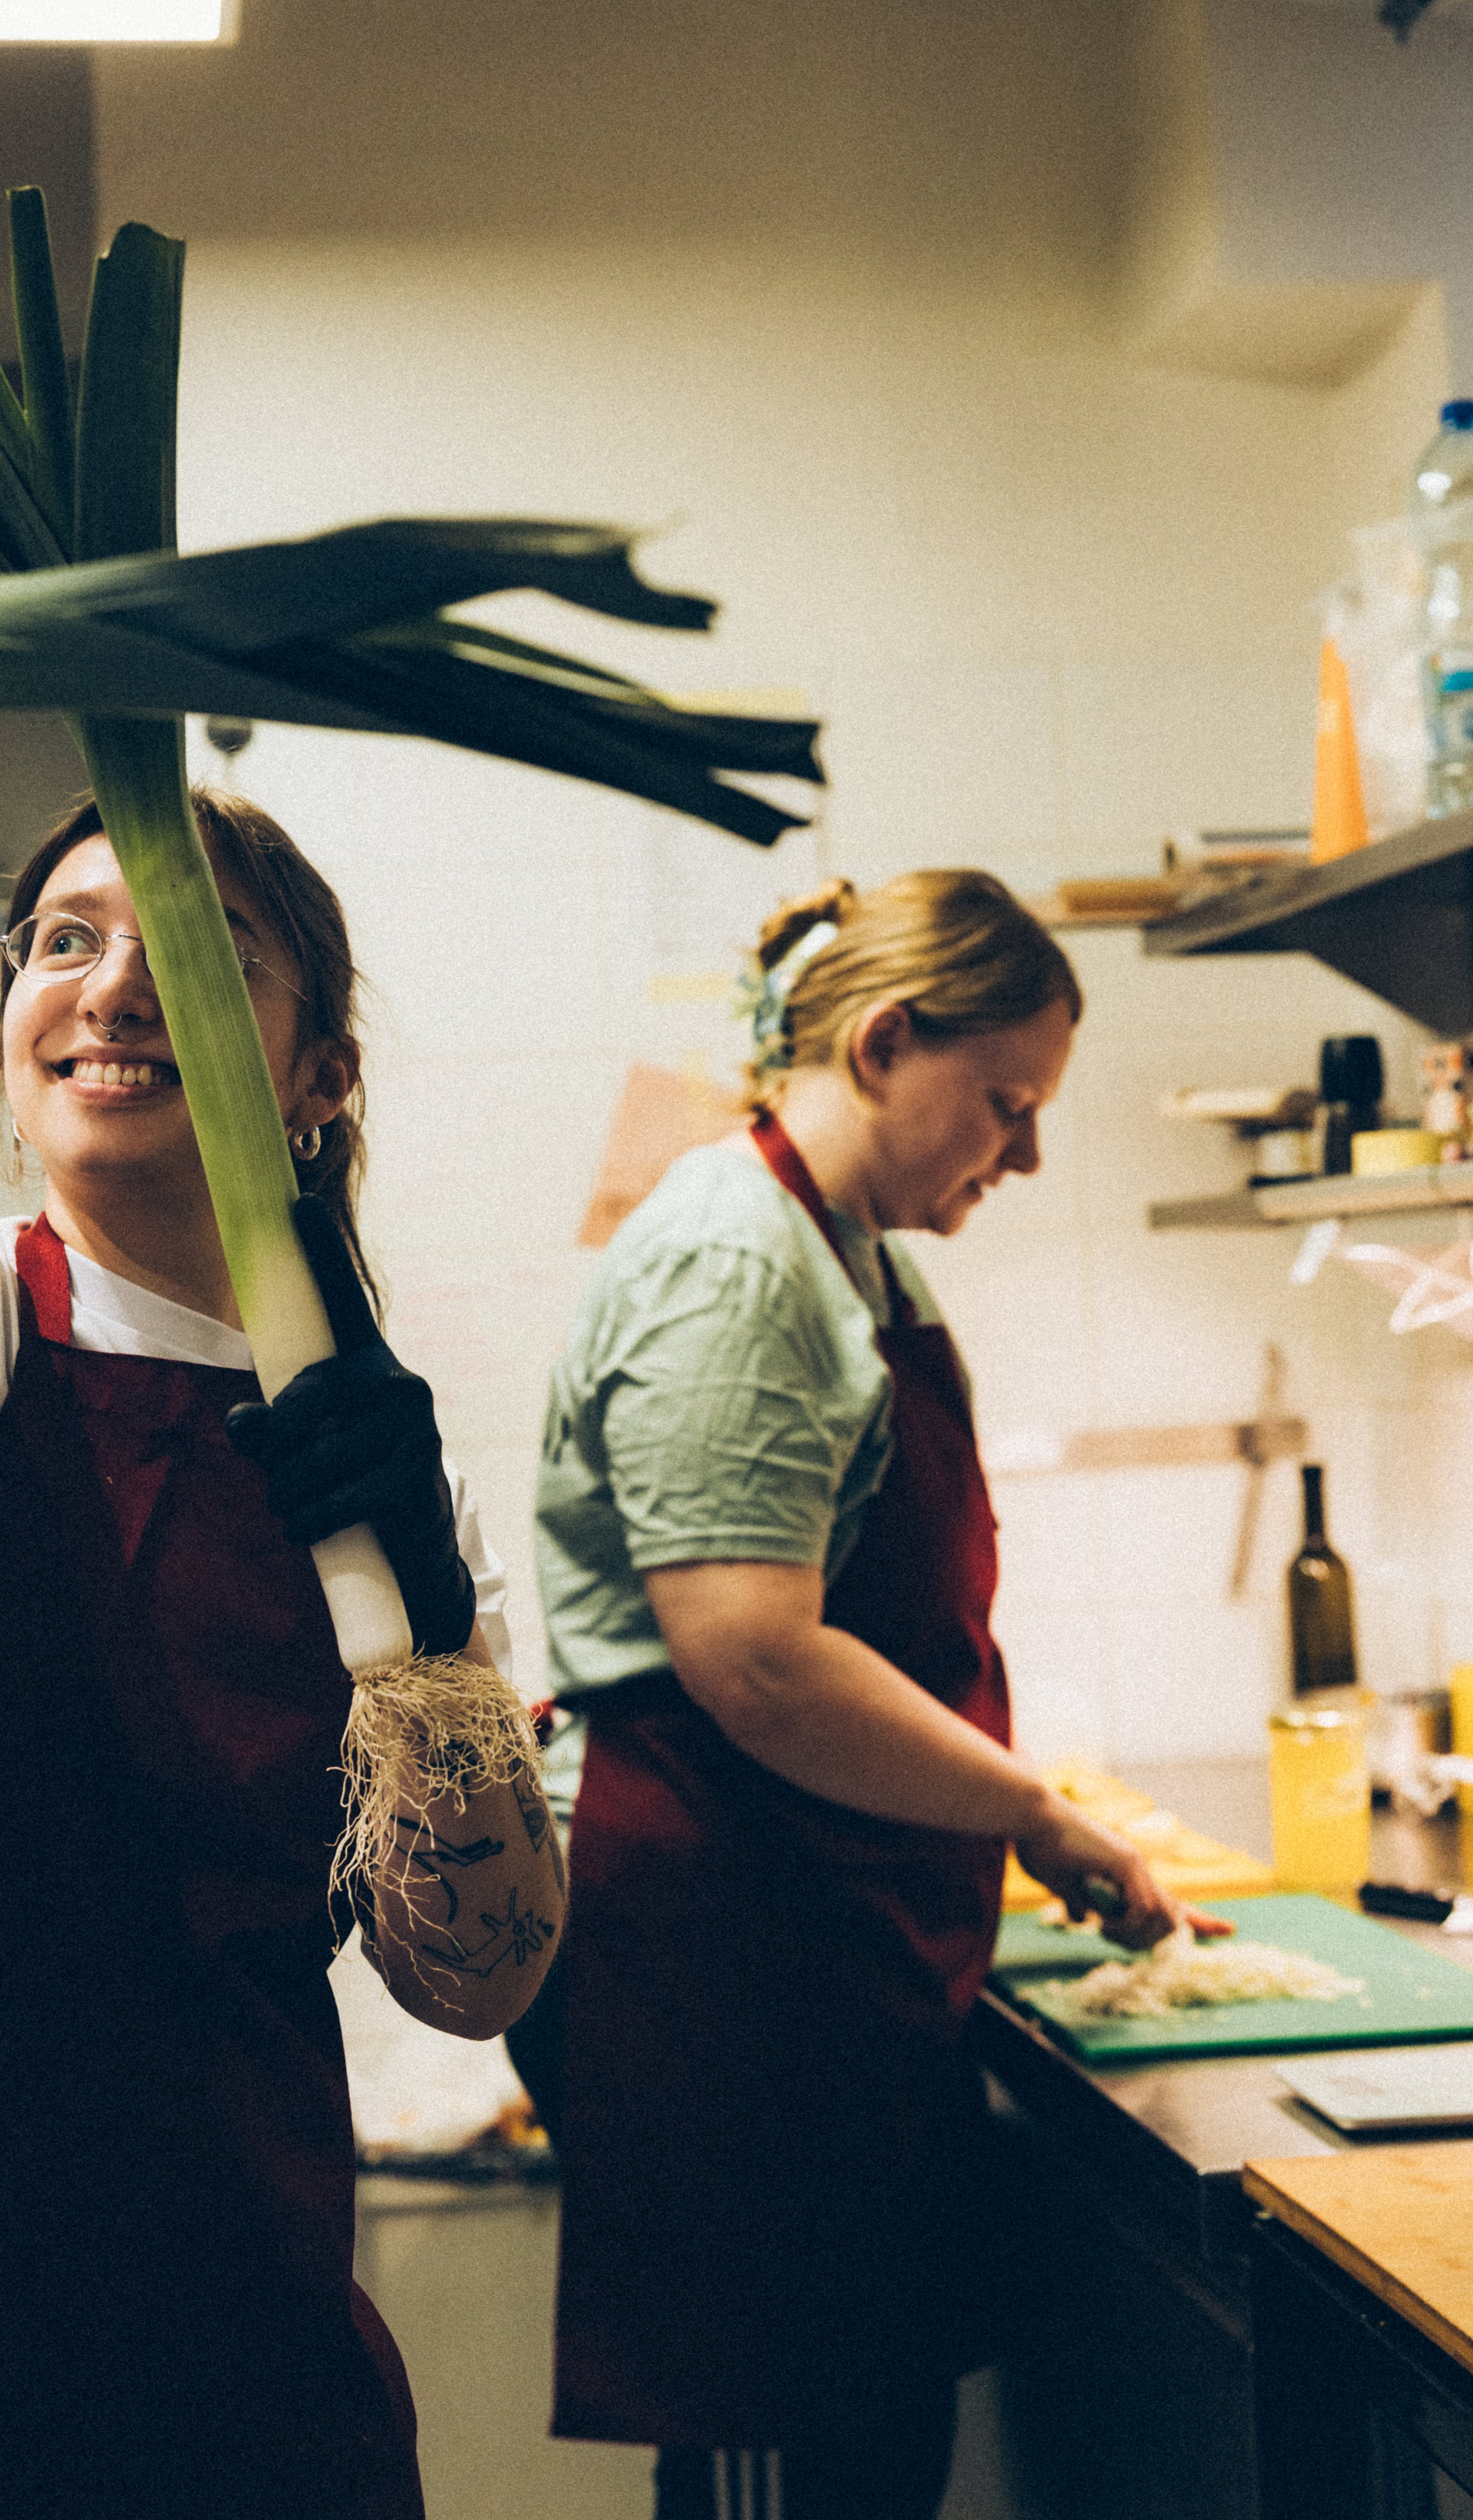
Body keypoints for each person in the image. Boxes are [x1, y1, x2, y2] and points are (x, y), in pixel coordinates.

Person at [0, 786, 563, 2520]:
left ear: (323, 1082)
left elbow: (479, 1978)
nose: (115, 986)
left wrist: (433, 1633)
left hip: (228, 2379)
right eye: (66, 940)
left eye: (202, 955)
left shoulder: (385, 1480)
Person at [530, 869, 1219, 2520]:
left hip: (822, 1929)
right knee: (789, 2468)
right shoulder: (736, 1260)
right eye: (1009, 1104)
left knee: (860, 2455)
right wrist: (1034, 1811)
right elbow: (755, 1660)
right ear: (889, 1041)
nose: (1026, 1156)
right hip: (734, 1935)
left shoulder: (855, 1259)